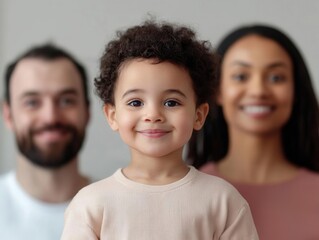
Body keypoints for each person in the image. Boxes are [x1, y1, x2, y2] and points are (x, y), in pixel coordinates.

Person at [61, 21, 259, 240]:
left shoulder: (223, 201)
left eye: (171, 102)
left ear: (199, 115)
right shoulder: (91, 204)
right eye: (136, 102)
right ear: (113, 115)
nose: (153, 114)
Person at [187, 24, 319, 240]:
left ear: (295, 91)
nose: (258, 91)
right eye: (240, 76)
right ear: (217, 90)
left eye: (276, 78)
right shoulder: (186, 192)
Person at [0, 44, 91, 240]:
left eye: (66, 101)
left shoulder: (119, 208)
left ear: (87, 111)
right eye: (32, 102)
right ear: (8, 115)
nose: (50, 117)